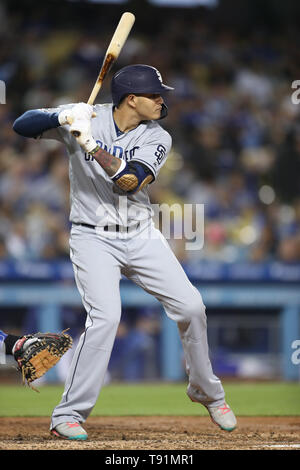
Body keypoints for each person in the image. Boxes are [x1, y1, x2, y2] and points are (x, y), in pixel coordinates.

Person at [13, 64, 237, 440]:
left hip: (140, 233)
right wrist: (61, 115)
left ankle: (206, 391)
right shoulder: (85, 115)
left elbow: (130, 181)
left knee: (191, 307)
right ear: (131, 99)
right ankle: (67, 414)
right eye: (154, 94)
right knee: (106, 318)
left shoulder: (158, 136)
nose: (161, 100)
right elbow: (22, 125)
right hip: (91, 237)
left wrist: (89, 145)